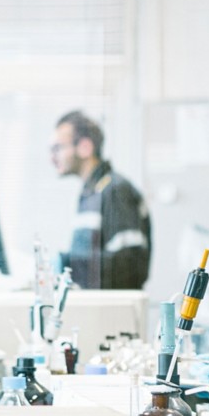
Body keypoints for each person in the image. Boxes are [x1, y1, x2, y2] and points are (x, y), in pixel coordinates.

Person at [50, 110, 150, 290]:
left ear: (85, 147)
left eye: (58, 148)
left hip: (114, 307)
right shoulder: (91, 193)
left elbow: (130, 266)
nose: (52, 157)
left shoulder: (115, 190)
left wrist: (66, 264)